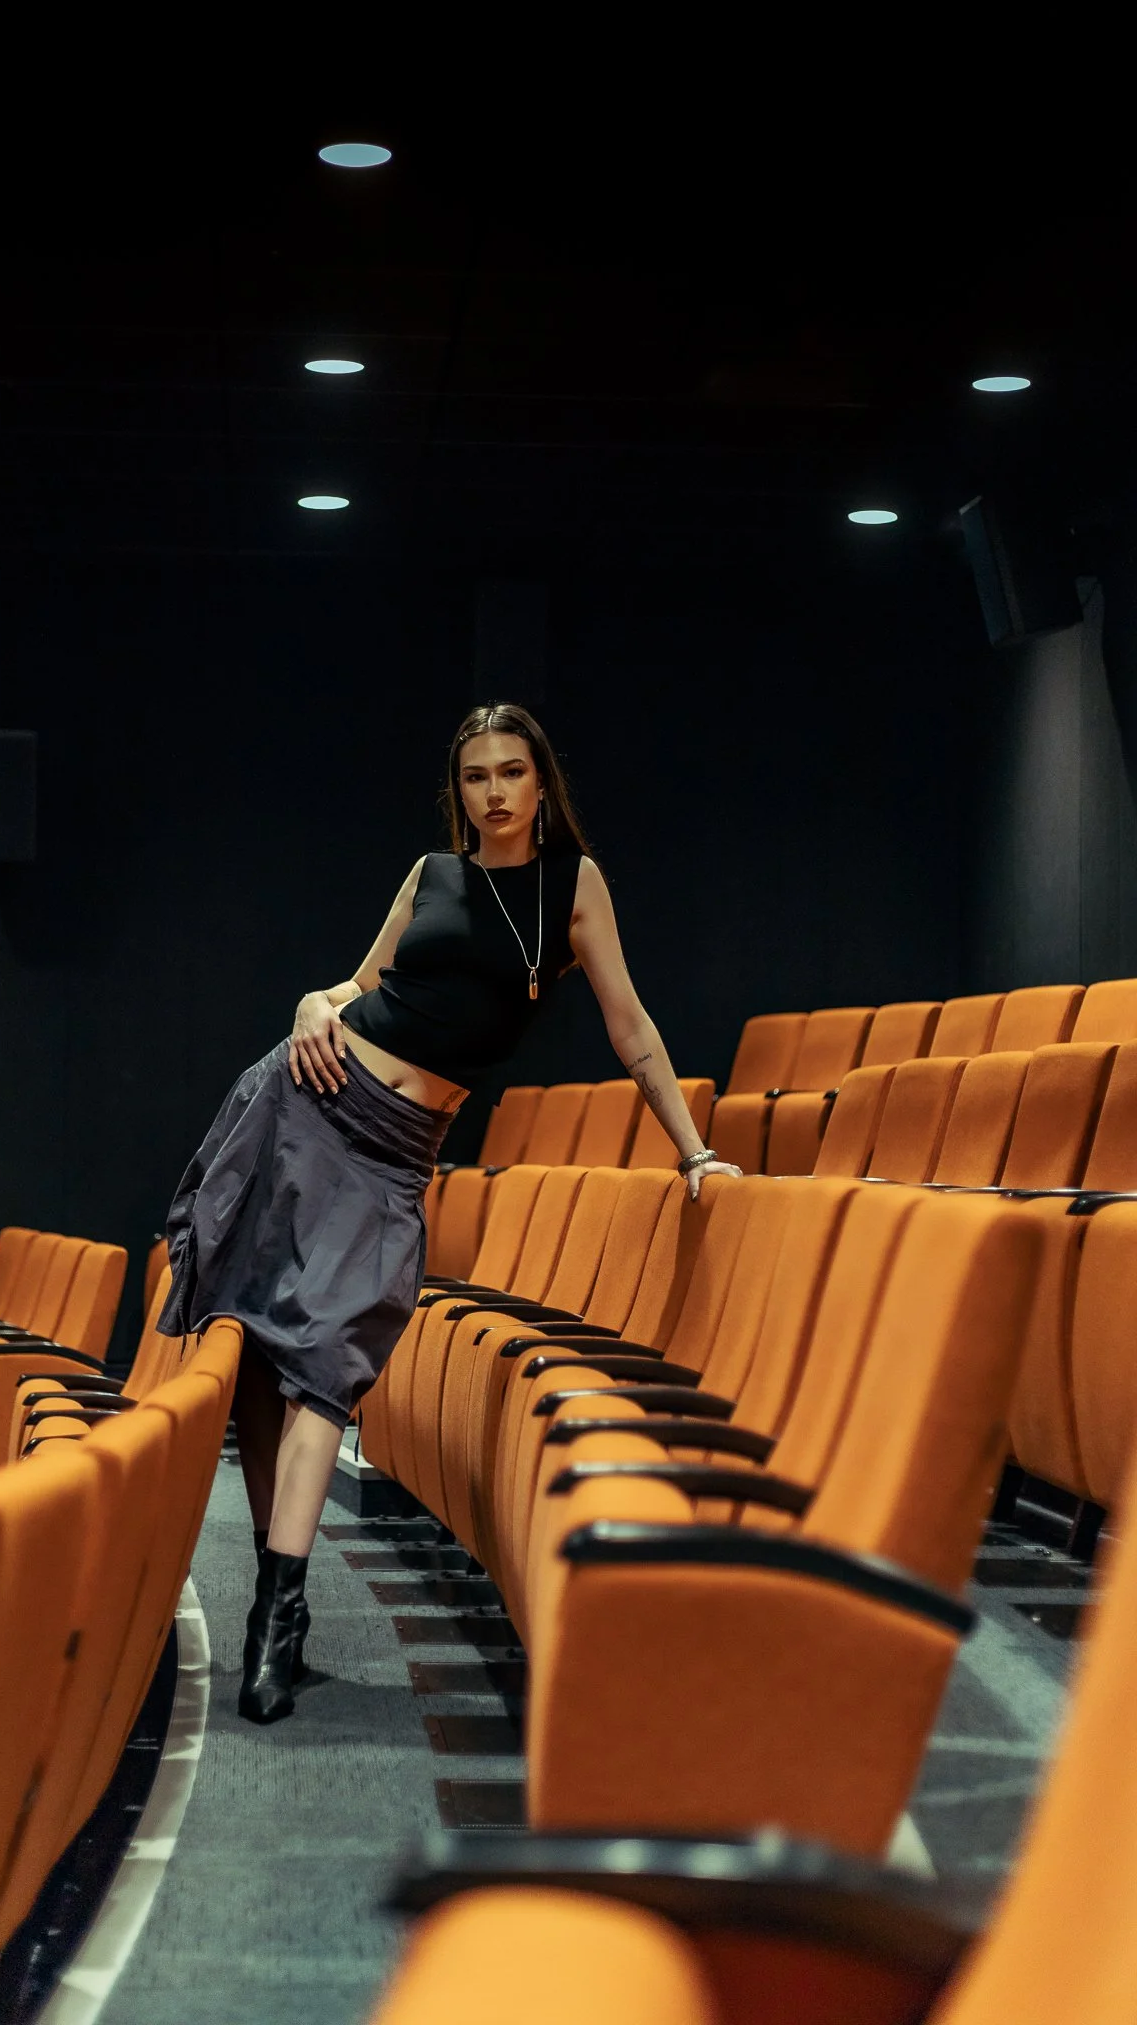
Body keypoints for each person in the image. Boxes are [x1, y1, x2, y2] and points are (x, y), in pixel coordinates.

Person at [159, 702, 741, 1724]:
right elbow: (358, 983)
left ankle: (276, 1617)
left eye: (514, 772)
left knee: (328, 1372)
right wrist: (310, 1003)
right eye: (477, 777)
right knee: (250, 1345)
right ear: (459, 791)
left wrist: (693, 1151)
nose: (497, 792)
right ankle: (276, 1621)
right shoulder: (431, 877)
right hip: (307, 1104)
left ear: (542, 783)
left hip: (396, 1156)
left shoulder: (574, 888)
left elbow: (633, 1029)